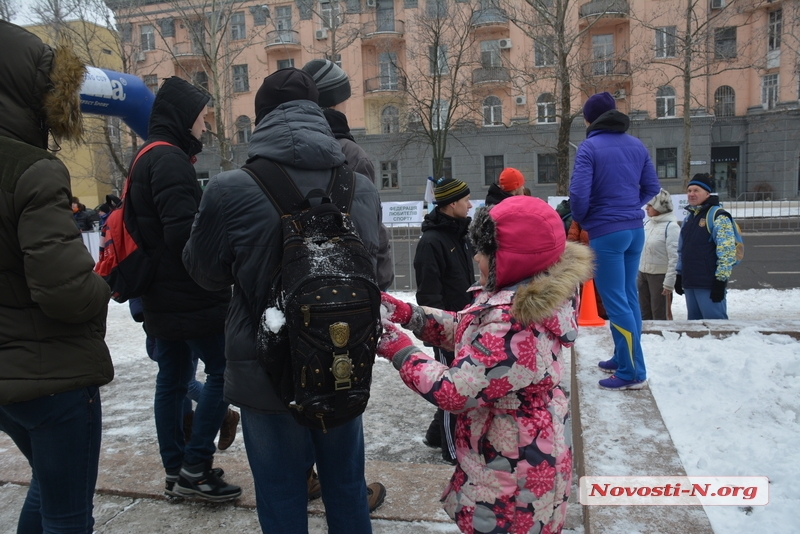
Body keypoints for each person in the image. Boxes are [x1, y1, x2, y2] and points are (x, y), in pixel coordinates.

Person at [183, 68, 383, 533]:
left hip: (263, 368)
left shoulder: (229, 188)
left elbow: (205, 274)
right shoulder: (362, 186)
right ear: (320, 113)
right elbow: (379, 274)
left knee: (280, 496)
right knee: (347, 489)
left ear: (260, 119)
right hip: (341, 362)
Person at [379, 196, 594, 534]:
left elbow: (455, 391)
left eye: (484, 251)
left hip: (512, 471)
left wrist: (399, 350)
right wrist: (411, 315)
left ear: (513, 259)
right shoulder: (520, 295)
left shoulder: (516, 319)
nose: (475, 257)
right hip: (514, 454)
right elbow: (472, 333)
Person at [0, 21, 114, 532]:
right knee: (68, 514)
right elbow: (66, 292)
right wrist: (103, 285)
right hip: (53, 378)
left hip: (9, 375)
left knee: (46, 489)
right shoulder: (32, 168)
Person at [127, 76, 240, 501]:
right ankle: (195, 465)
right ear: (182, 118)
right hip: (189, 294)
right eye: (201, 118)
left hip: (160, 295)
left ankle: (176, 470)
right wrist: (223, 260)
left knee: (172, 380)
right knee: (222, 371)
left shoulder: (145, 157)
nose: (205, 126)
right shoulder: (170, 159)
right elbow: (184, 237)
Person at [569, 91, 660, 391]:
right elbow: (652, 187)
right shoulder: (636, 145)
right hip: (634, 229)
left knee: (615, 301)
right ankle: (624, 356)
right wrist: (629, 207)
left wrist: (585, 217)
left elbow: (579, 196)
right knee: (628, 297)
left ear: (589, 118)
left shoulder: (589, 148)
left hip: (606, 232)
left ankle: (633, 371)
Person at [304, 58, 394, 291]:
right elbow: (371, 233)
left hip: (301, 282)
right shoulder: (351, 155)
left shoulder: (290, 149)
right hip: (349, 289)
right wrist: (381, 284)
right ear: (337, 102)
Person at [413, 176, 474, 464]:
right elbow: (427, 293)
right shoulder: (432, 242)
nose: (470, 205)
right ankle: (451, 450)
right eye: (465, 200)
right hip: (445, 326)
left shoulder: (459, 234)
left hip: (464, 322)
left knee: (459, 381)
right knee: (453, 389)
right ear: (451, 204)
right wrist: (435, 328)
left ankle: (436, 434)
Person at [129, 297, 240, 449]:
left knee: (186, 383)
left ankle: (222, 417)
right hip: (162, 318)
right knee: (179, 382)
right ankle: (188, 431)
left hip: (190, 316)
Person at [675, 173, 736, 319]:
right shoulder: (689, 217)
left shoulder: (718, 216)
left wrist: (720, 281)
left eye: (696, 190)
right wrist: (679, 274)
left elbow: (727, 253)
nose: (691, 194)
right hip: (690, 283)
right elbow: (682, 250)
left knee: (715, 328)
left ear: (707, 193)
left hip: (709, 285)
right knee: (695, 330)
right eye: (689, 191)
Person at [638, 189, 679, 320]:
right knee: (644, 313)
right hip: (643, 274)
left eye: (650, 205)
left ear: (659, 207)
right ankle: (647, 339)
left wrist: (669, 282)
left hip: (659, 278)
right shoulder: (647, 224)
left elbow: (675, 257)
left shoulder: (671, 227)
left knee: (659, 315)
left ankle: (662, 338)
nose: (646, 208)